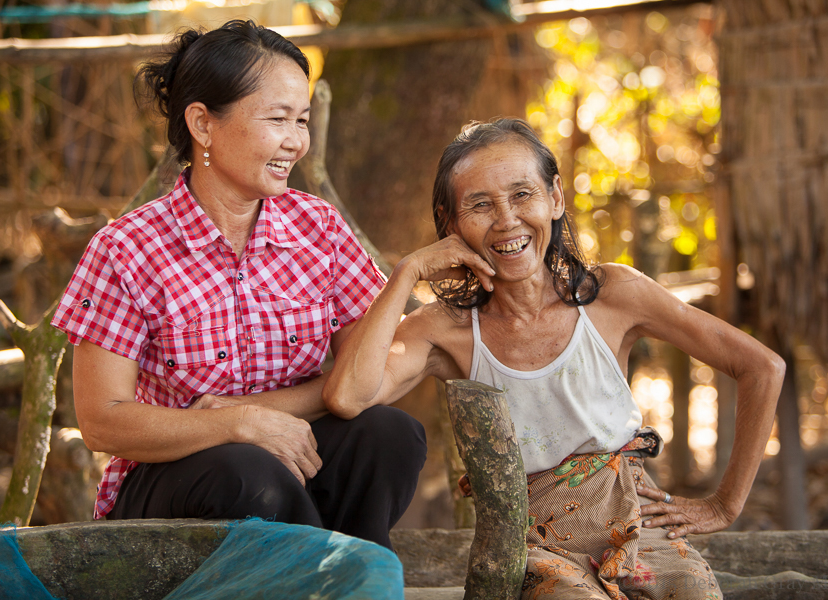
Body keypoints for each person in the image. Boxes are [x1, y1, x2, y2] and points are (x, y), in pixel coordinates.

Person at [323, 118, 785, 597]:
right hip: (529, 547)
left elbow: (763, 367)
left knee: (692, 591)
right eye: (480, 205)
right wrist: (406, 272)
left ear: (555, 198)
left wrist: (724, 505)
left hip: (634, 524)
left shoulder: (614, 296)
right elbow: (348, 396)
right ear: (451, 224)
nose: (506, 220)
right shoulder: (448, 330)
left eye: (522, 195)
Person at [51, 19, 425, 551]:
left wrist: (261, 412)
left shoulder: (318, 229)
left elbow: (364, 376)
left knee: (389, 434)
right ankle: (322, 580)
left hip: (293, 461)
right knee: (248, 470)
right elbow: (102, 423)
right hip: (176, 484)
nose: (295, 142)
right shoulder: (127, 249)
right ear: (203, 124)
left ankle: (354, 576)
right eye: (277, 120)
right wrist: (235, 426)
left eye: (301, 120)